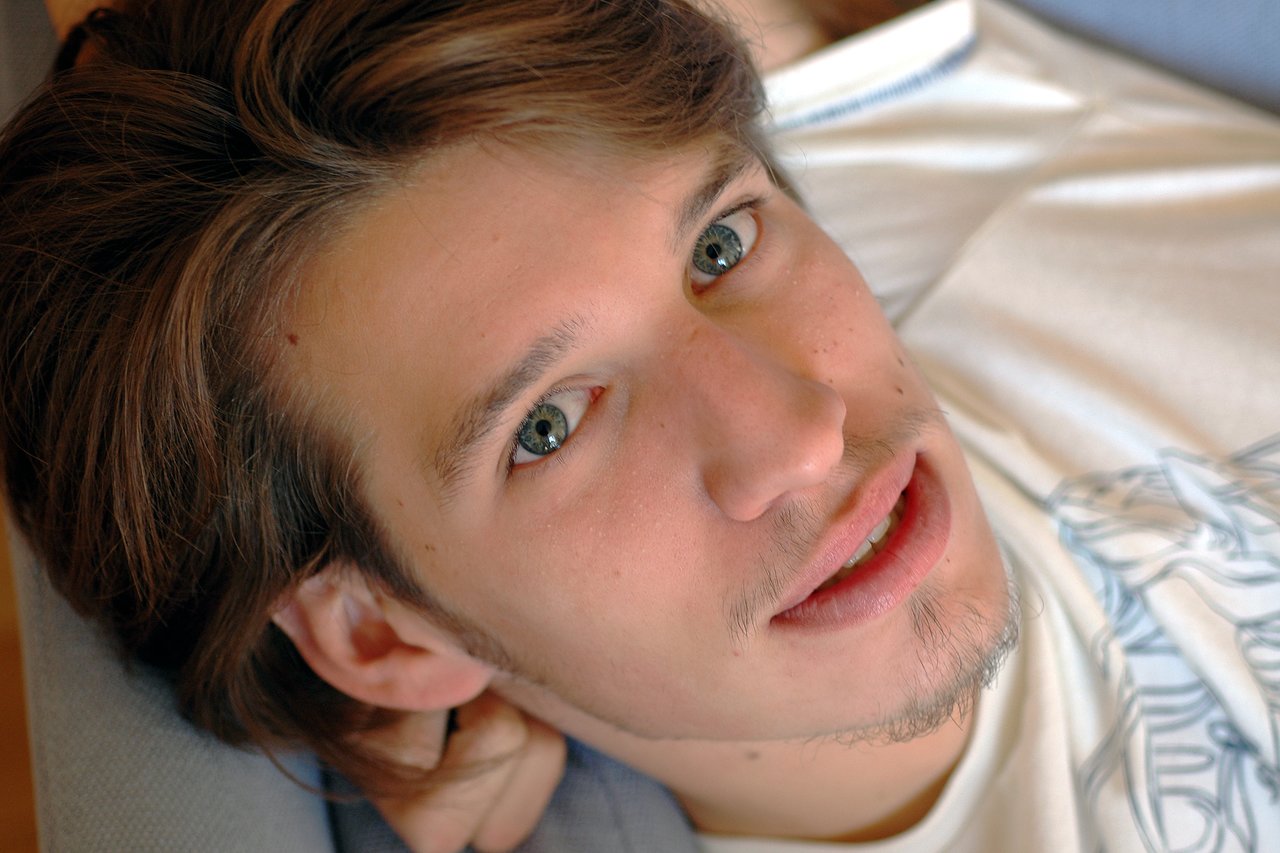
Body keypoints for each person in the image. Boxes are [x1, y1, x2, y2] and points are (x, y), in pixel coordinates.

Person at [2, 1, 1277, 852]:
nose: (799, 435)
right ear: (382, 633)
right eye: (548, 427)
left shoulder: (903, 115)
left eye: (720, 246)